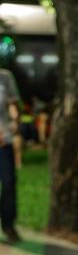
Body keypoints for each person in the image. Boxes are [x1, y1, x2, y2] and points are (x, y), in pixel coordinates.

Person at [0, 68, 20, 243]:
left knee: (8, 182)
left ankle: (8, 225)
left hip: (4, 140)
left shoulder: (5, 77)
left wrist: (14, 120)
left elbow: (12, 104)